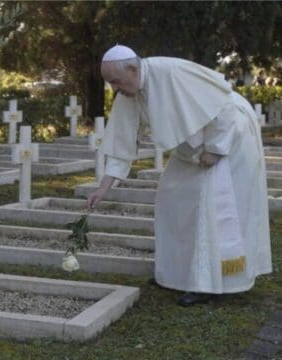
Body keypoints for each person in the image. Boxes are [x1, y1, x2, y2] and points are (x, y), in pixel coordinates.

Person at [87, 44, 272, 306]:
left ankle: (209, 283)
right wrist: (103, 187)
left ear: (132, 68)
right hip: (193, 148)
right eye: (110, 83)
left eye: (115, 81)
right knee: (171, 196)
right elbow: (121, 142)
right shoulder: (130, 91)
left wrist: (217, 149)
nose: (114, 88)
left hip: (229, 136)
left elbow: (224, 106)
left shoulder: (172, 73)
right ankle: (177, 275)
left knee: (210, 207)